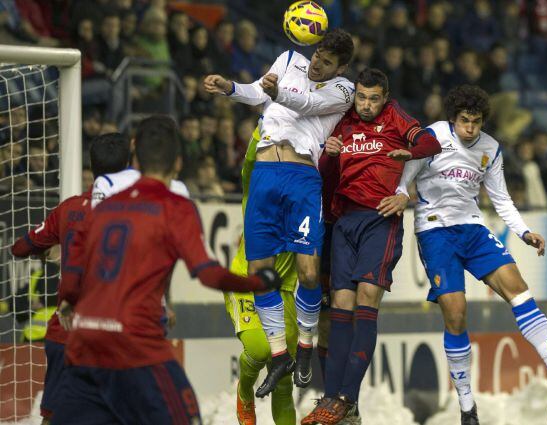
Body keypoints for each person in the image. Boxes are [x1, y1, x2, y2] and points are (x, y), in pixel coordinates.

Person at [51, 116, 281, 425]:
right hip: (135, 341)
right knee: (186, 417)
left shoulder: (103, 206)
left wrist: (66, 299)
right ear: (177, 163)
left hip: (86, 337)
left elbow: (75, 260)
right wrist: (257, 281)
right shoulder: (175, 206)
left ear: (134, 158)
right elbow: (206, 273)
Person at [380, 85, 547, 425]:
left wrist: (524, 232)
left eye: (476, 122)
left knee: (517, 289)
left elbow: (501, 198)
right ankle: (466, 405)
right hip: (435, 232)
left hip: (473, 229)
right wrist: (402, 194)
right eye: (464, 121)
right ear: (453, 118)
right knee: (457, 313)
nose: (471, 129)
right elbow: (407, 177)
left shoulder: (490, 148)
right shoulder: (433, 136)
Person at [203, 28, 355, 395]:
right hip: (265, 173)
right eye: (318, 55)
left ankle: (305, 346)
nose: (318, 63)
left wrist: (277, 92)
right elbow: (258, 92)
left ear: (341, 68)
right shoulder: (289, 60)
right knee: (259, 272)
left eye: (328, 62)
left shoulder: (344, 91)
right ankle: (278, 355)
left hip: (302, 178)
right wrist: (230, 88)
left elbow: (308, 106)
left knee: (308, 272)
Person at [301, 68, 441, 425]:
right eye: (361, 97)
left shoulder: (395, 117)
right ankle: (331, 399)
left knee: (366, 297)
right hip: (343, 221)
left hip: (380, 219)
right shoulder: (343, 121)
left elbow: (430, 142)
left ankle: (347, 397)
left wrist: (408, 161)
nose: (366, 105)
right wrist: (329, 154)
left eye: (373, 98)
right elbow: (325, 176)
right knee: (339, 309)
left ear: (385, 97)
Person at [9, 133, 131, 424]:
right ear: (128, 167)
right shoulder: (138, 212)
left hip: (67, 333)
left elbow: (20, 247)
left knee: (54, 415)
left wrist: (51, 250)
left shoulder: (69, 209)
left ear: (92, 164)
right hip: (114, 334)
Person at [224, 123, 298, 425]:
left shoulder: (304, 197)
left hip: (283, 291)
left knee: (283, 381)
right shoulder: (254, 190)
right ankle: (244, 394)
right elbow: (251, 162)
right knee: (259, 347)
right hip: (246, 281)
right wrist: (264, 124)